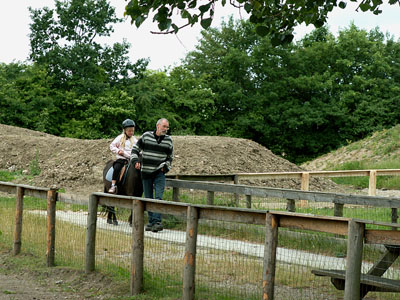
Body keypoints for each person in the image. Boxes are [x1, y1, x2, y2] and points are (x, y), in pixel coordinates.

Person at [131, 118, 173, 232]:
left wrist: (166, 167)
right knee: (148, 197)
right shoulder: (146, 136)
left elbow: (170, 157)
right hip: (146, 172)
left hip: (159, 172)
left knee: (158, 197)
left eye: (167, 127)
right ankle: (150, 222)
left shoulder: (169, 140)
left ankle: (157, 222)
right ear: (158, 126)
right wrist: (135, 161)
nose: (166, 129)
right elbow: (135, 150)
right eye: (164, 126)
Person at [108, 119, 137, 194]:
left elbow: (137, 150)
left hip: (131, 160)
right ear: (124, 130)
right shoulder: (119, 138)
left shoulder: (134, 140)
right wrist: (118, 151)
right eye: (129, 131)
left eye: (132, 131)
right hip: (121, 159)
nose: (131, 133)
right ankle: (113, 185)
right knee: (117, 167)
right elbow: (112, 146)